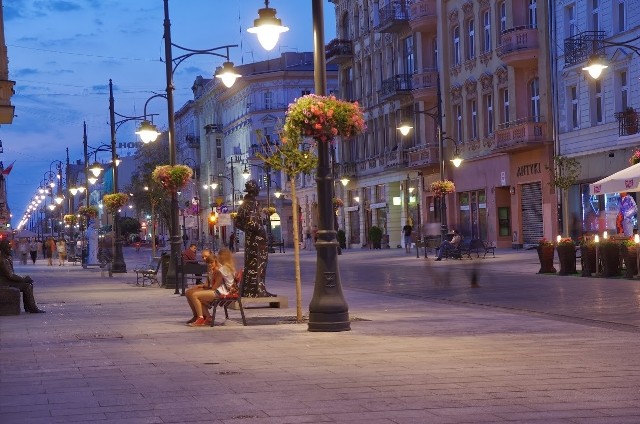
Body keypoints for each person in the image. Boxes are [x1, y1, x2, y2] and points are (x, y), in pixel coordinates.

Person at [234, 180, 273, 297]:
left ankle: (249, 290)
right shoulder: (253, 203)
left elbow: (237, 222)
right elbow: (252, 222)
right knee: (260, 264)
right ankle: (259, 290)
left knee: (250, 264)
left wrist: (247, 230)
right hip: (258, 240)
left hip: (249, 240)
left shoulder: (243, 204)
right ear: (255, 191)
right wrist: (260, 230)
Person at [189, 248, 236, 327]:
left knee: (194, 295)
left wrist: (213, 271)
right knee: (196, 296)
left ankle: (200, 318)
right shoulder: (229, 267)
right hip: (225, 291)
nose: (218, 257)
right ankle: (207, 317)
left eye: (219, 255)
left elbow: (215, 285)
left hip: (221, 292)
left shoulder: (221, 270)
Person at [0, 239, 45, 313]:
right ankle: (32, 308)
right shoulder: (3, 260)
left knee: (28, 284)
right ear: (4, 249)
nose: (10, 250)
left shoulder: (6, 258)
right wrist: (23, 279)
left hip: (6, 281)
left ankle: (28, 307)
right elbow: (10, 276)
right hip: (4, 283)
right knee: (27, 286)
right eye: (8, 248)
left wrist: (23, 279)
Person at [184, 248, 212, 324]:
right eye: (203, 257)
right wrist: (200, 286)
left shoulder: (214, 265)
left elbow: (214, 284)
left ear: (211, 255)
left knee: (194, 294)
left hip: (214, 290)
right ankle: (196, 315)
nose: (204, 259)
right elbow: (208, 282)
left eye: (206, 256)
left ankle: (203, 317)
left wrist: (202, 286)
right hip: (209, 287)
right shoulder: (208, 266)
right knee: (188, 292)